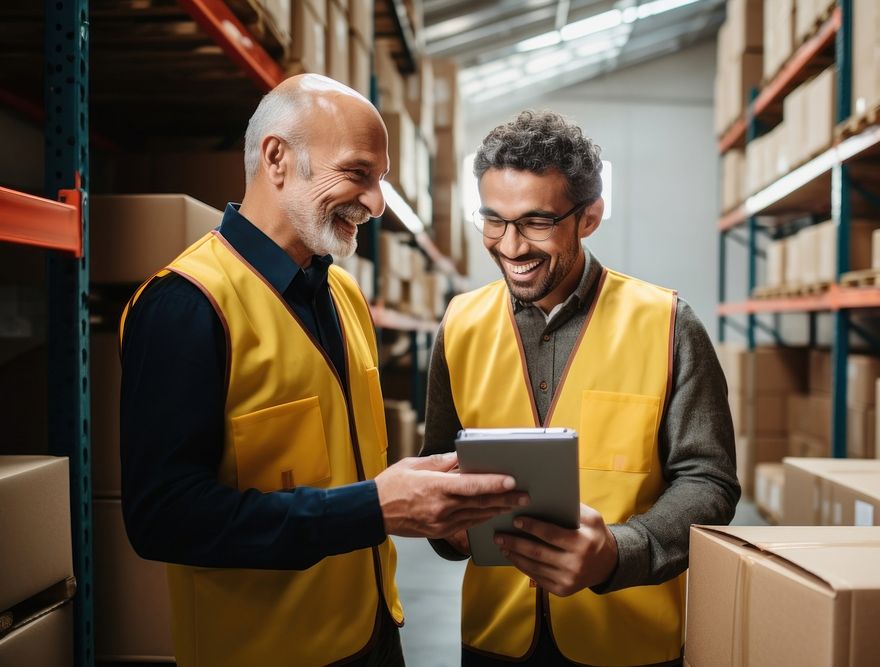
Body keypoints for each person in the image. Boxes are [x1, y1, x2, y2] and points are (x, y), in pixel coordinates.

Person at [118, 74, 526, 667]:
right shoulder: (187, 305)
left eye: (380, 180)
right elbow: (162, 518)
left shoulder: (343, 294)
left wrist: (414, 492)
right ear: (277, 158)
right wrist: (374, 508)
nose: (376, 203)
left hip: (373, 635)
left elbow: (341, 461)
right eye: (358, 172)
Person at [420, 110, 740, 667]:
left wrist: (619, 551)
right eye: (493, 220)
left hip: (627, 642)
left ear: (589, 216)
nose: (511, 247)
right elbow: (438, 463)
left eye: (536, 222)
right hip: (495, 640)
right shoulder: (460, 324)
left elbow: (709, 481)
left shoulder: (666, 323)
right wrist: (448, 529)